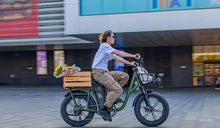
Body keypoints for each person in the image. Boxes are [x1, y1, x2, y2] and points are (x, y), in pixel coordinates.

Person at [91, 30, 140, 121]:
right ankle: (105, 110)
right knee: (118, 89)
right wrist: (133, 56)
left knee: (125, 76)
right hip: (99, 73)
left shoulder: (107, 48)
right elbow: (119, 53)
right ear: (108, 38)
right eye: (113, 36)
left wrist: (130, 63)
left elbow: (117, 58)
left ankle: (112, 96)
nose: (114, 38)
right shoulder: (105, 46)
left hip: (104, 72)